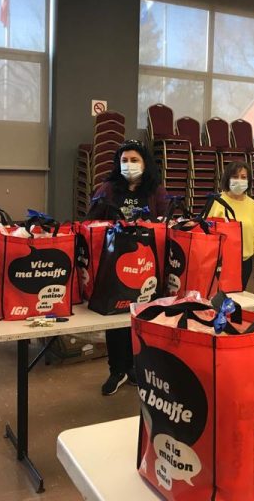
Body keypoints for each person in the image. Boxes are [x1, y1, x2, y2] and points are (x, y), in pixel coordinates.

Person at [88, 140, 166, 396]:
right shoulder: (107, 188)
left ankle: (134, 367)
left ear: (145, 163)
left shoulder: (156, 191)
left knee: (140, 316)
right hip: (114, 263)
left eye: (134, 160)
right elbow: (91, 222)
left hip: (146, 263)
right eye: (124, 160)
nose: (129, 165)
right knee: (115, 316)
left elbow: (165, 224)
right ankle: (117, 370)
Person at [208, 161, 254, 290]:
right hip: (220, 263)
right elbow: (206, 233)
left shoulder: (253, 205)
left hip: (244, 263)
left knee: (238, 298)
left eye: (243, 177)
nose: (239, 180)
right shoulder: (217, 202)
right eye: (235, 177)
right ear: (228, 179)